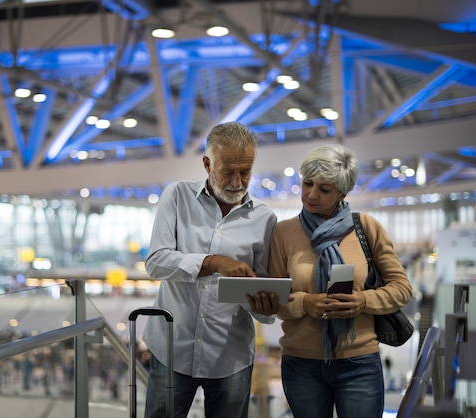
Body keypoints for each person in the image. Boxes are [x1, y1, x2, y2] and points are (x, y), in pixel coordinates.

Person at [142, 121, 279, 418]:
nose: (237, 181)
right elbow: (156, 262)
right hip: (172, 348)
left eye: (245, 172)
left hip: (230, 356)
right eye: (227, 171)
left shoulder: (265, 219)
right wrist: (212, 262)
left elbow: (262, 293)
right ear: (207, 164)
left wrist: (265, 306)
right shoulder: (177, 197)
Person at [268, 143, 413, 418]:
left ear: (343, 193)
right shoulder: (283, 233)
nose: (311, 194)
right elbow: (273, 299)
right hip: (301, 364)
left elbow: (402, 288)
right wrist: (304, 303)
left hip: (358, 361)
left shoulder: (366, 228)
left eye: (324, 189)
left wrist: (363, 300)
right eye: (307, 183)